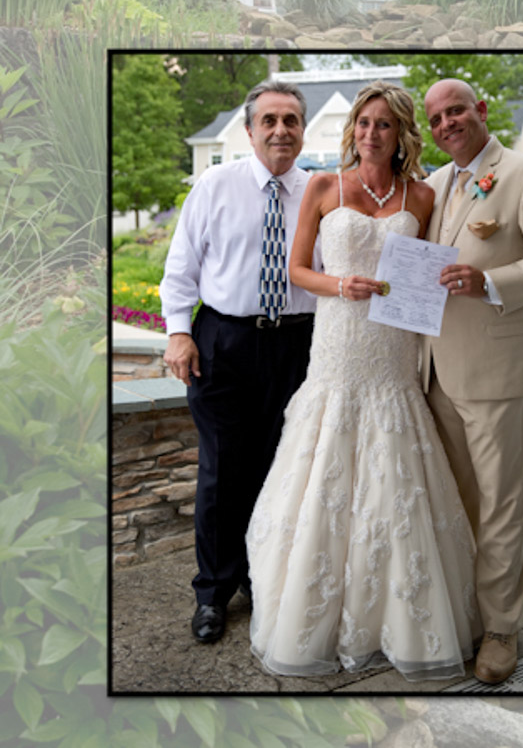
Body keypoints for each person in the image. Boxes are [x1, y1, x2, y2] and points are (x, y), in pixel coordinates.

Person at [245, 81, 481, 680]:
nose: (371, 134)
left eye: (384, 124)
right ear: (352, 129)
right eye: (363, 123)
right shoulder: (326, 187)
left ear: (403, 133)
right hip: (339, 342)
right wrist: (340, 284)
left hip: (392, 348)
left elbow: (426, 273)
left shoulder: (423, 196)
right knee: (325, 461)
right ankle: (312, 609)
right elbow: (298, 269)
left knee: (395, 469)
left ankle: (397, 615)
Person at [421, 79, 523, 684]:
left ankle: (501, 631)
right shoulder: (435, 185)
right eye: (437, 118)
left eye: (456, 110)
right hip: (435, 370)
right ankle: (467, 611)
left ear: (481, 111)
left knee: (504, 506)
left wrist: (489, 282)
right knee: (458, 502)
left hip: (502, 368)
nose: (447, 124)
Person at [161, 80, 318, 644]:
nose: (281, 130)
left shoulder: (321, 191)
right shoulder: (216, 184)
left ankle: (263, 578)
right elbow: (181, 266)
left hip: (299, 346)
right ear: (250, 130)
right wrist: (179, 332)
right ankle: (213, 592)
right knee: (222, 472)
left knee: (285, 468)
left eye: (292, 120)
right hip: (223, 343)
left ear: (303, 130)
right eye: (270, 120)